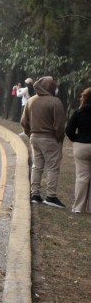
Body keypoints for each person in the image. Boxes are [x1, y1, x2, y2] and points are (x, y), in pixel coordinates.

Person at [21, 76, 67, 207]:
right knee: (52, 168)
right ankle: (51, 196)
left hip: (34, 137)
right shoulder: (55, 102)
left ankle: (35, 194)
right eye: (54, 85)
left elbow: (23, 122)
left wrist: (30, 134)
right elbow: (59, 125)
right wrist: (59, 138)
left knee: (37, 166)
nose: (55, 88)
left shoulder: (31, 101)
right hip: (50, 138)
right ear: (50, 87)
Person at [65, 86, 91, 214]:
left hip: (81, 146)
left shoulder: (79, 112)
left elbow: (69, 130)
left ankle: (78, 207)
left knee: (82, 177)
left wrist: (77, 139)